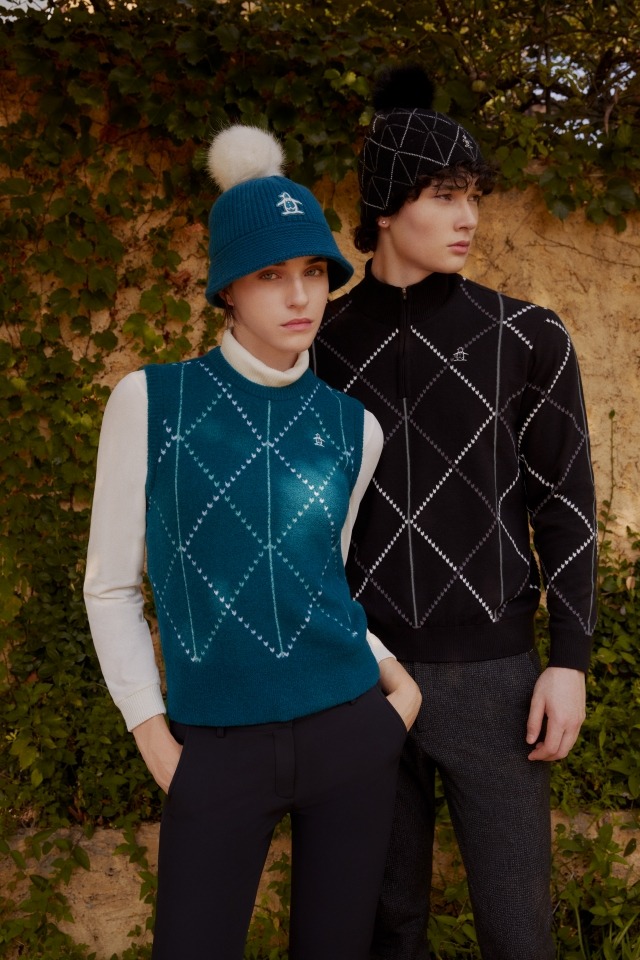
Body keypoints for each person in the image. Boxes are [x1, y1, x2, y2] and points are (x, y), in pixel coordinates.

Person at [84, 124, 421, 960]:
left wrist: (396, 691)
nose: (300, 295)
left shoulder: (355, 427)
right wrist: (153, 735)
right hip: (216, 749)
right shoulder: (150, 402)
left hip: (350, 730)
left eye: (314, 271)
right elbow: (111, 586)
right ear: (228, 289)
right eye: (271, 274)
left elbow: (323, 576)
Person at [312, 65, 598, 960]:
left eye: (474, 194)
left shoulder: (528, 336)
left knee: (518, 932)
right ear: (386, 205)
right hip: (361, 676)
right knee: (383, 928)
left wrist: (569, 662)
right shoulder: (318, 346)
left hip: (495, 681)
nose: (469, 216)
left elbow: (567, 507)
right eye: (444, 195)